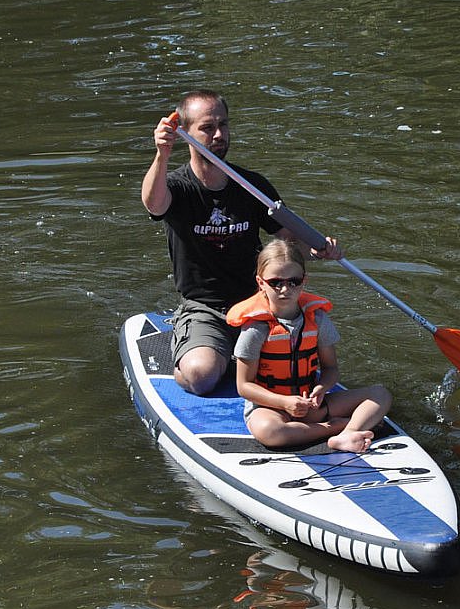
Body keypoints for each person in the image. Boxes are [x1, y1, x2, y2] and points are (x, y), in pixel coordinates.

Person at [141, 90, 343, 395]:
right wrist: (162, 154)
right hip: (204, 307)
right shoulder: (175, 186)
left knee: (295, 368)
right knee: (201, 376)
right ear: (186, 133)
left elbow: (289, 244)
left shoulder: (252, 186)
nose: (219, 134)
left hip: (260, 302)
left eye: (224, 125)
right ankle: (192, 349)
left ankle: (237, 357)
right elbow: (154, 205)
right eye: (207, 128)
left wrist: (317, 251)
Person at [227, 240, 391, 453]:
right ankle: (342, 427)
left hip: (312, 407)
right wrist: (284, 402)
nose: (285, 289)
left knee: (380, 395)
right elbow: (244, 386)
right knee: (271, 432)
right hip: (270, 408)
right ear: (261, 283)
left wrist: (321, 389)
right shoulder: (256, 328)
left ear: (304, 281)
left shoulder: (318, 319)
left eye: (293, 281)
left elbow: (331, 369)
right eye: (276, 282)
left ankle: (345, 435)